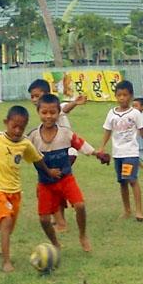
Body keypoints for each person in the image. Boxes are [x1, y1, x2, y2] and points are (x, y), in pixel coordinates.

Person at [0, 106, 61, 272]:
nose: (17, 131)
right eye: (14, 126)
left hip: (14, 190)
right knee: (6, 223)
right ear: (6, 123)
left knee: (7, 228)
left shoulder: (25, 143)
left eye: (21, 127)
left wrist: (49, 171)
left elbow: (37, 159)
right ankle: (6, 262)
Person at [27, 94, 108, 252]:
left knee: (80, 205)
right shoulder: (33, 136)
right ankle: (55, 243)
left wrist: (97, 154)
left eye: (53, 112)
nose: (49, 116)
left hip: (66, 179)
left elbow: (81, 144)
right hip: (45, 183)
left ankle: (83, 235)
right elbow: (26, 154)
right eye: (44, 113)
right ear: (38, 112)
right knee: (44, 219)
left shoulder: (65, 133)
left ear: (59, 113)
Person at [28, 78, 87, 232]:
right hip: (54, 153)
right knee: (53, 185)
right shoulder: (45, 111)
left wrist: (75, 102)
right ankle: (59, 218)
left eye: (37, 95)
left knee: (53, 185)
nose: (35, 99)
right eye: (32, 97)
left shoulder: (55, 107)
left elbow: (65, 108)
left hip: (66, 152)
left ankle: (60, 221)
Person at [97, 80, 143, 222]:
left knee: (131, 179)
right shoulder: (111, 113)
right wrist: (102, 147)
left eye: (125, 95)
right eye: (119, 95)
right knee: (122, 182)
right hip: (117, 153)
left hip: (130, 152)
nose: (122, 98)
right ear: (115, 96)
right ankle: (127, 209)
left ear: (131, 96)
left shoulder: (135, 113)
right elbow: (107, 131)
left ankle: (139, 211)